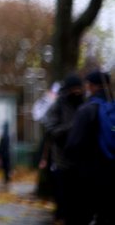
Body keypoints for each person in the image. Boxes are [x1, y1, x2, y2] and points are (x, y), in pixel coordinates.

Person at [65, 70, 115, 225]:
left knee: (84, 216)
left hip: (88, 174)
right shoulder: (112, 108)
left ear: (92, 87)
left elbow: (73, 144)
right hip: (111, 174)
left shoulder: (86, 110)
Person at [41, 74, 84, 223]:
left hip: (82, 162)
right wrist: (72, 127)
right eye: (74, 89)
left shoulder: (84, 104)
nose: (77, 92)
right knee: (64, 199)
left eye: (79, 89)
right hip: (63, 161)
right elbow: (51, 130)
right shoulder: (58, 105)